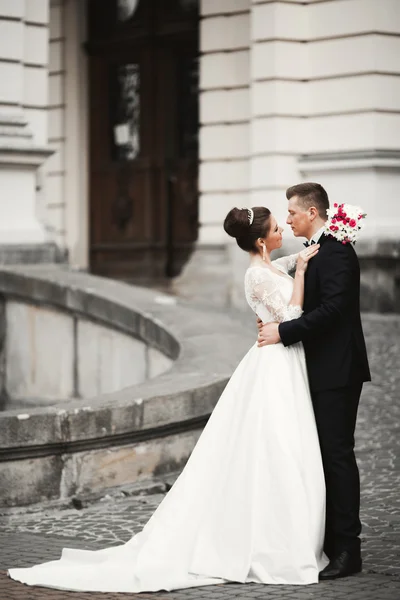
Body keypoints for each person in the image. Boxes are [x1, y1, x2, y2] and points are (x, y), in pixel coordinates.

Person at [9, 206, 328, 593]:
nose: (283, 233)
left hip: (282, 363)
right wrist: (305, 274)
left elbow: (286, 263)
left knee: (286, 445)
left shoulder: (272, 264)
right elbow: (291, 312)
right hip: (274, 364)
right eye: (278, 229)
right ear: (261, 241)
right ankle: (271, 540)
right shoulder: (256, 276)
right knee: (274, 445)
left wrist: (313, 249)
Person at [257, 183, 371, 580]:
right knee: (320, 454)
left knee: (337, 456)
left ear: (312, 213)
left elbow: (336, 310)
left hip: (337, 369)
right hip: (316, 367)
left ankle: (348, 549)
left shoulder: (337, 251)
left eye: (291, 212)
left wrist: (282, 333)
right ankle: (327, 541)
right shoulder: (314, 251)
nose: (286, 219)